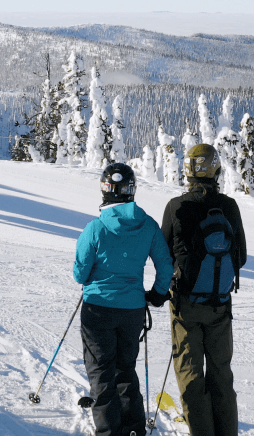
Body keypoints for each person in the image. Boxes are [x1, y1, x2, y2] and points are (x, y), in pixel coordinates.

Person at [73, 163, 173, 436]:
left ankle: (109, 431)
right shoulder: (148, 225)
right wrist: (156, 294)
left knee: (102, 372)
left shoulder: (95, 228)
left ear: (105, 190)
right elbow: (166, 267)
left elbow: (80, 274)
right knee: (125, 369)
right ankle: (133, 430)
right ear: (131, 191)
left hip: (98, 309)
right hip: (132, 309)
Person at [161, 143, 246, 436]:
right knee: (222, 375)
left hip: (185, 304)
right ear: (215, 169)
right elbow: (241, 257)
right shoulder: (229, 206)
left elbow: (162, 254)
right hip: (220, 304)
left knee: (191, 375)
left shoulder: (176, 206)